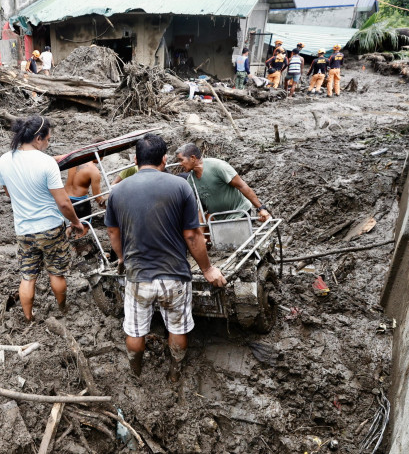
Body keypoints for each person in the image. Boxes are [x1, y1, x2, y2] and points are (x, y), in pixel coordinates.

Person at [104, 134, 225, 381]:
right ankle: (174, 372)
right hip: (174, 275)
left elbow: (113, 232)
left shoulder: (117, 191)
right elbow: (193, 235)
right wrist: (208, 269)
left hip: (139, 277)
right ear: (164, 159)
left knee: (135, 331)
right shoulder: (180, 186)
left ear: (136, 160)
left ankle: (136, 371)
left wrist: (122, 257)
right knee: (178, 328)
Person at [0, 116, 86, 321]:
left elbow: (8, 193)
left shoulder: (4, 159)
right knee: (56, 273)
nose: (48, 143)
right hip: (50, 228)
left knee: (28, 277)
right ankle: (62, 308)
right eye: (48, 139)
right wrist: (75, 222)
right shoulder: (46, 163)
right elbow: (63, 202)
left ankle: (28, 317)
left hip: (23, 229)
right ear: (38, 138)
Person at [174, 143, 271, 223]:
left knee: (235, 244)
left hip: (238, 212)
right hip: (218, 218)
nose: (180, 163)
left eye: (181, 160)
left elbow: (241, 186)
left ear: (192, 158)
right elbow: (199, 206)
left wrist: (261, 208)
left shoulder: (217, 166)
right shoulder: (191, 180)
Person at [64, 156, 106, 223]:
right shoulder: (94, 171)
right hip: (79, 203)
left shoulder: (74, 162)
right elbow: (98, 198)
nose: (102, 158)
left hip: (65, 198)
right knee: (84, 228)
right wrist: (108, 204)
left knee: (67, 226)